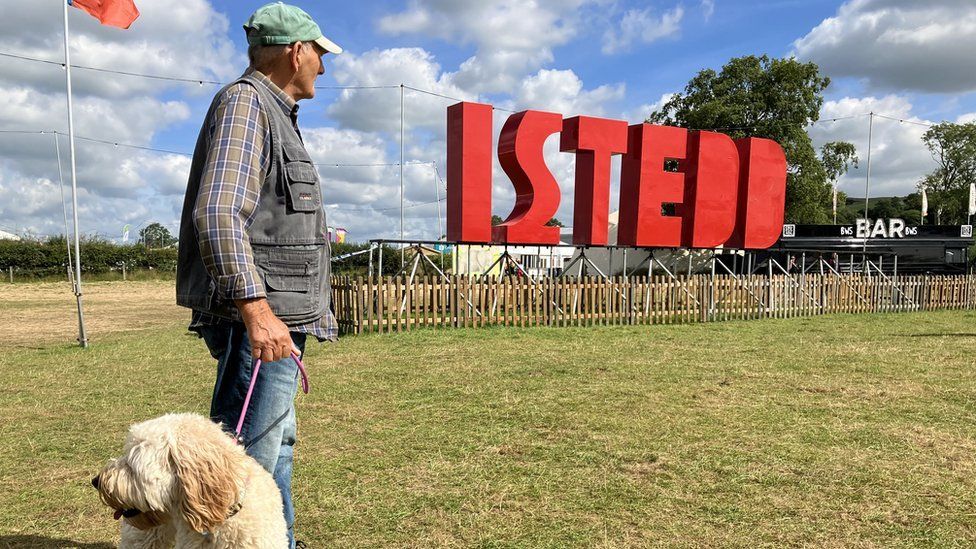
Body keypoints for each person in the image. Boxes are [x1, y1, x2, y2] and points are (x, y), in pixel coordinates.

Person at [175, 3, 342, 547]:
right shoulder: (247, 105)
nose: (323, 65)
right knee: (242, 466)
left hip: (276, 322)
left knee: (274, 449)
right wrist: (257, 308)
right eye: (319, 53)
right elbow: (219, 211)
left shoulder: (271, 112)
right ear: (296, 52)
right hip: (262, 323)